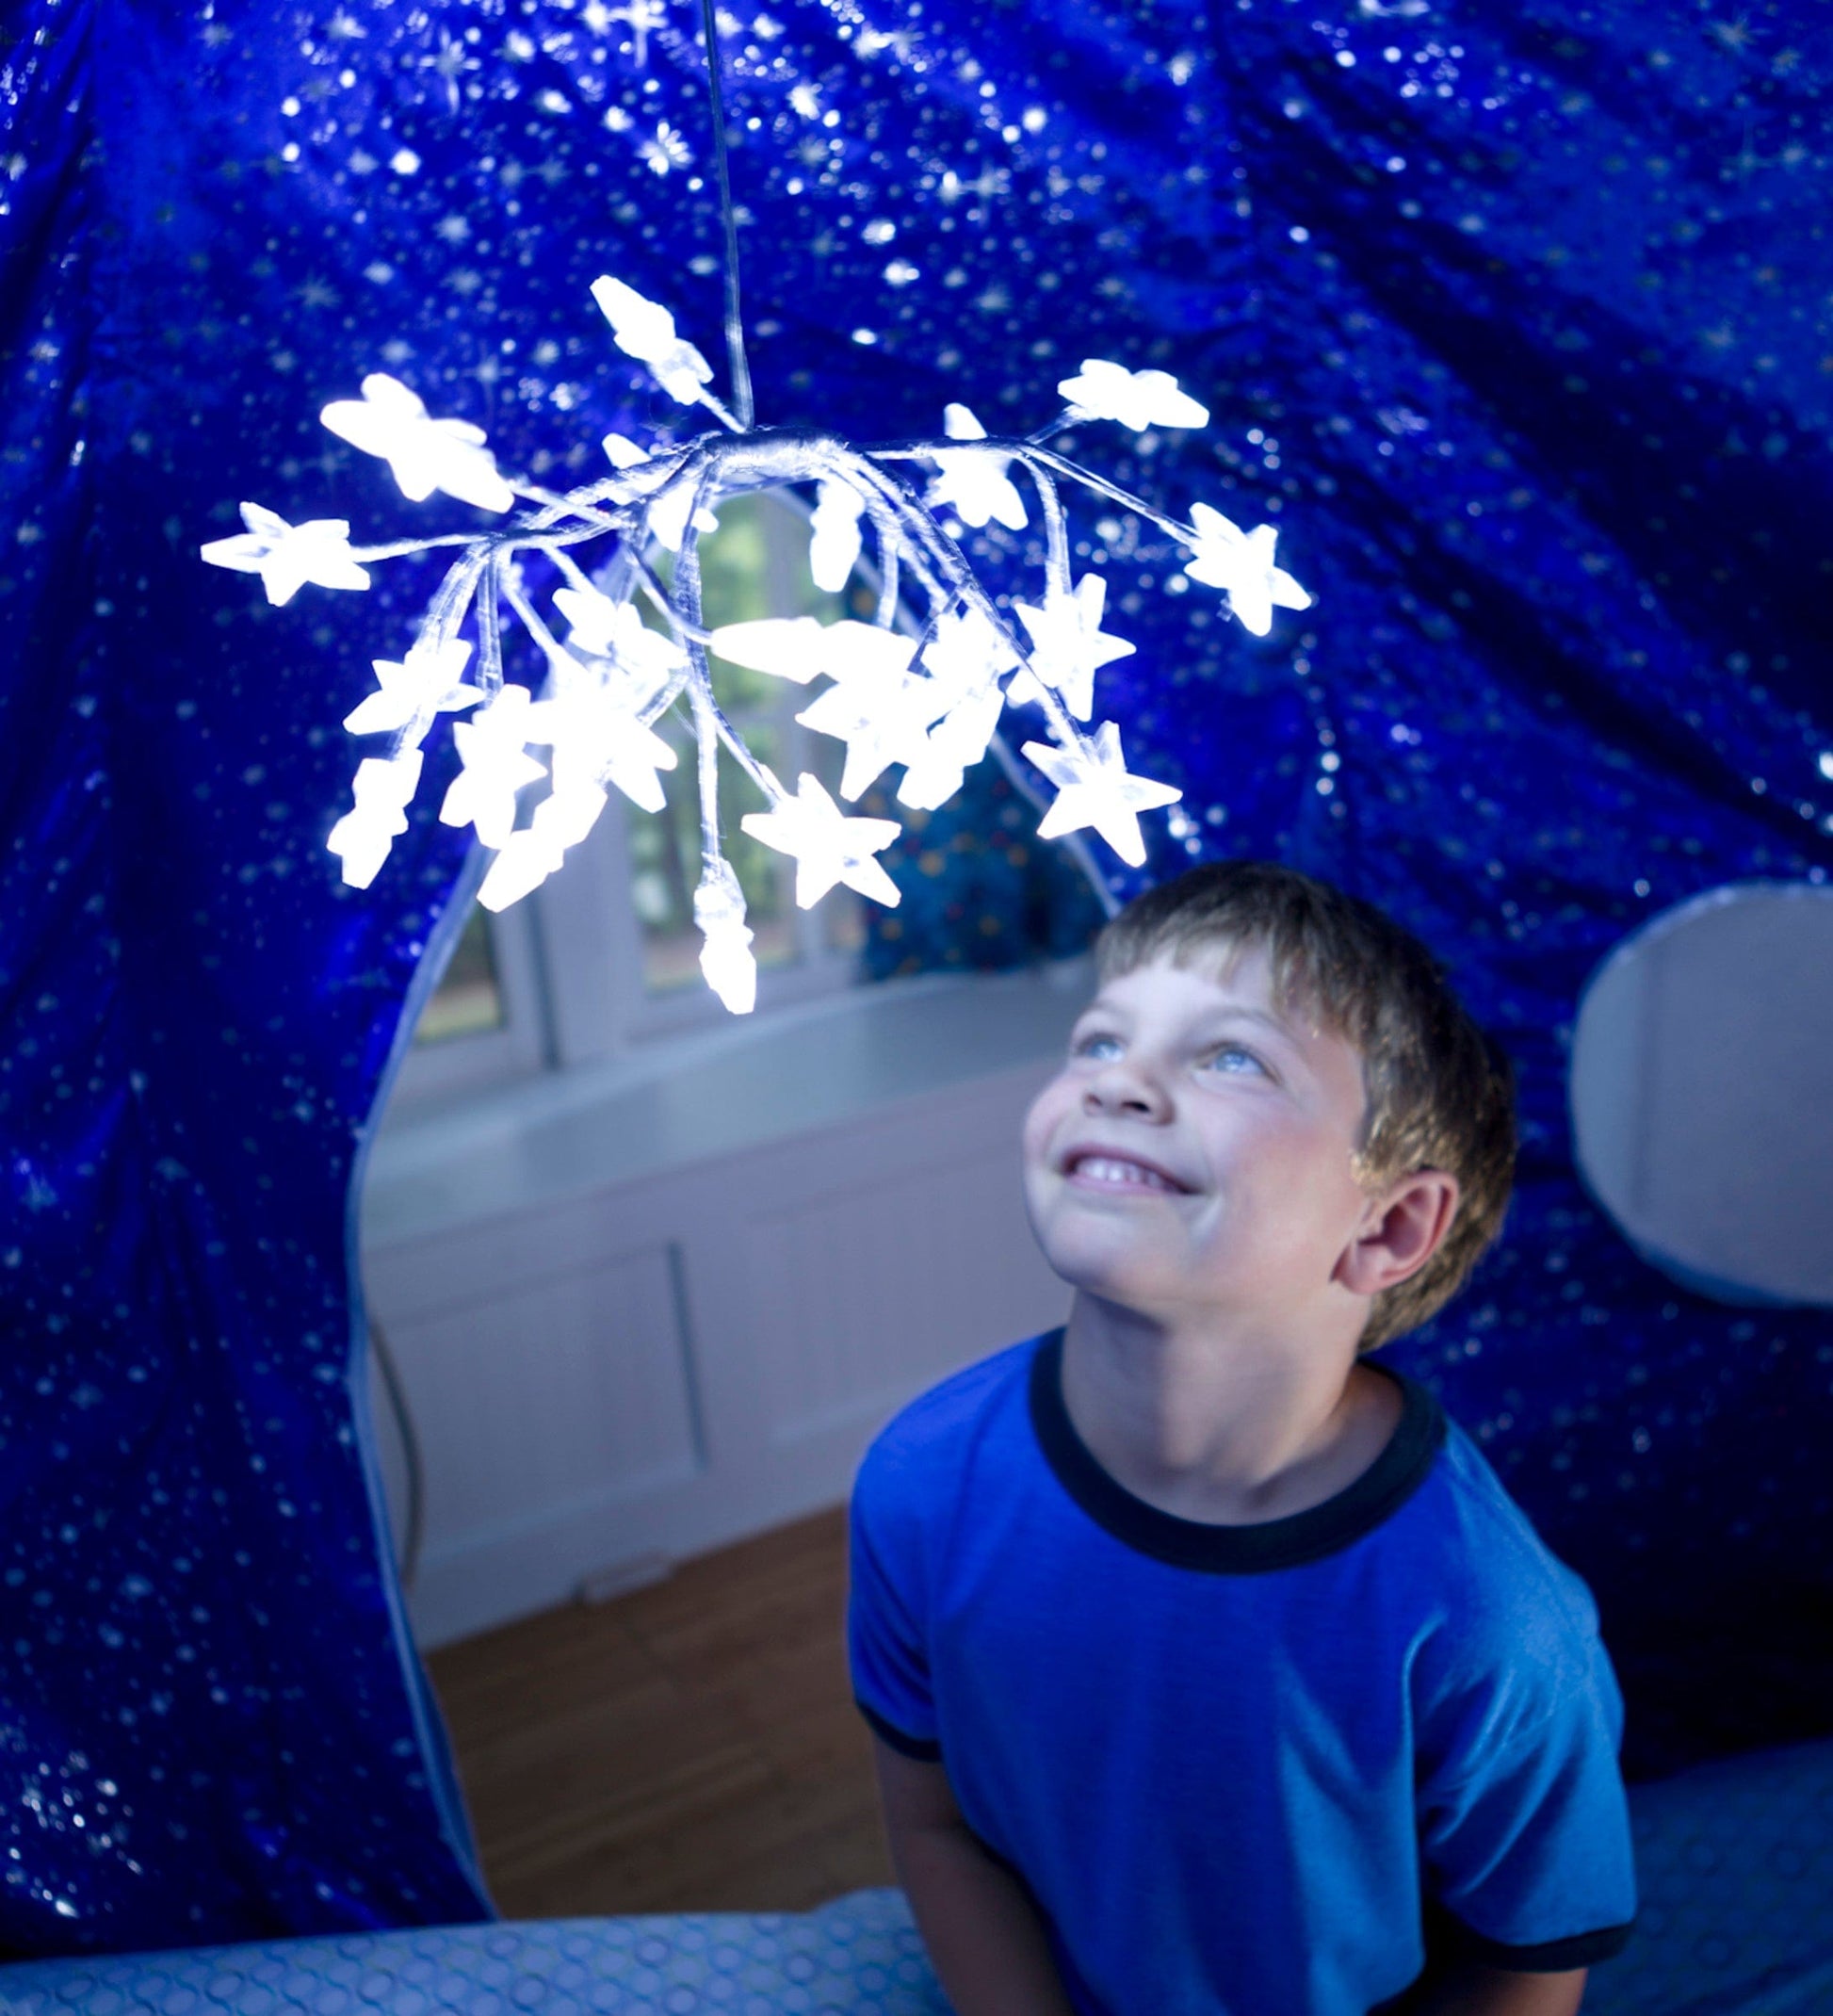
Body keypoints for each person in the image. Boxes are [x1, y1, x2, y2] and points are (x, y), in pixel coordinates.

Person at [847, 859, 1637, 2016]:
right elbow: (933, 1823)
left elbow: (1522, 1965)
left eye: (1229, 1056)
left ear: (1388, 1225)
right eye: (1099, 1041)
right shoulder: (918, 1485)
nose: (1118, 1083)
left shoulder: (1490, 1623)